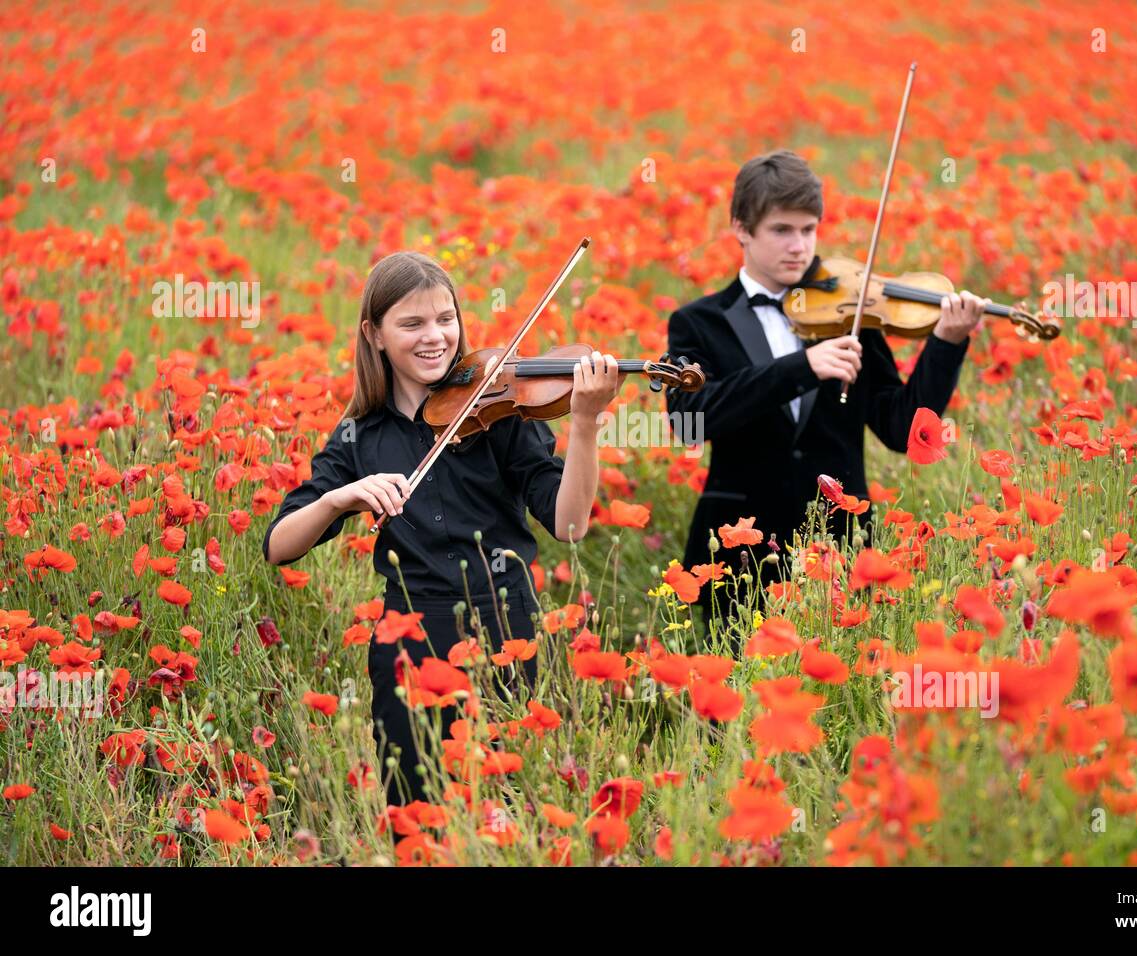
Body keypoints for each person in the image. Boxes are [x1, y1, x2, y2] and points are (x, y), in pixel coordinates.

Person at [263, 251, 620, 808]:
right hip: (410, 636)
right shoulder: (361, 433)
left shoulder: (497, 409)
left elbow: (569, 524)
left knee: (509, 806)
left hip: (508, 625)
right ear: (374, 334)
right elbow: (279, 546)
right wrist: (339, 498)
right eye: (412, 324)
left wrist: (583, 423)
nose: (436, 337)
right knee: (417, 807)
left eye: (445, 319)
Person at [665, 149, 987, 641]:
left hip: (841, 552)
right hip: (736, 559)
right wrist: (801, 367)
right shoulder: (698, 322)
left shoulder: (849, 312)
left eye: (809, 229)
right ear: (741, 229)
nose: (799, 246)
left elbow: (901, 430)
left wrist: (946, 342)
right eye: (781, 230)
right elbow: (689, 419)